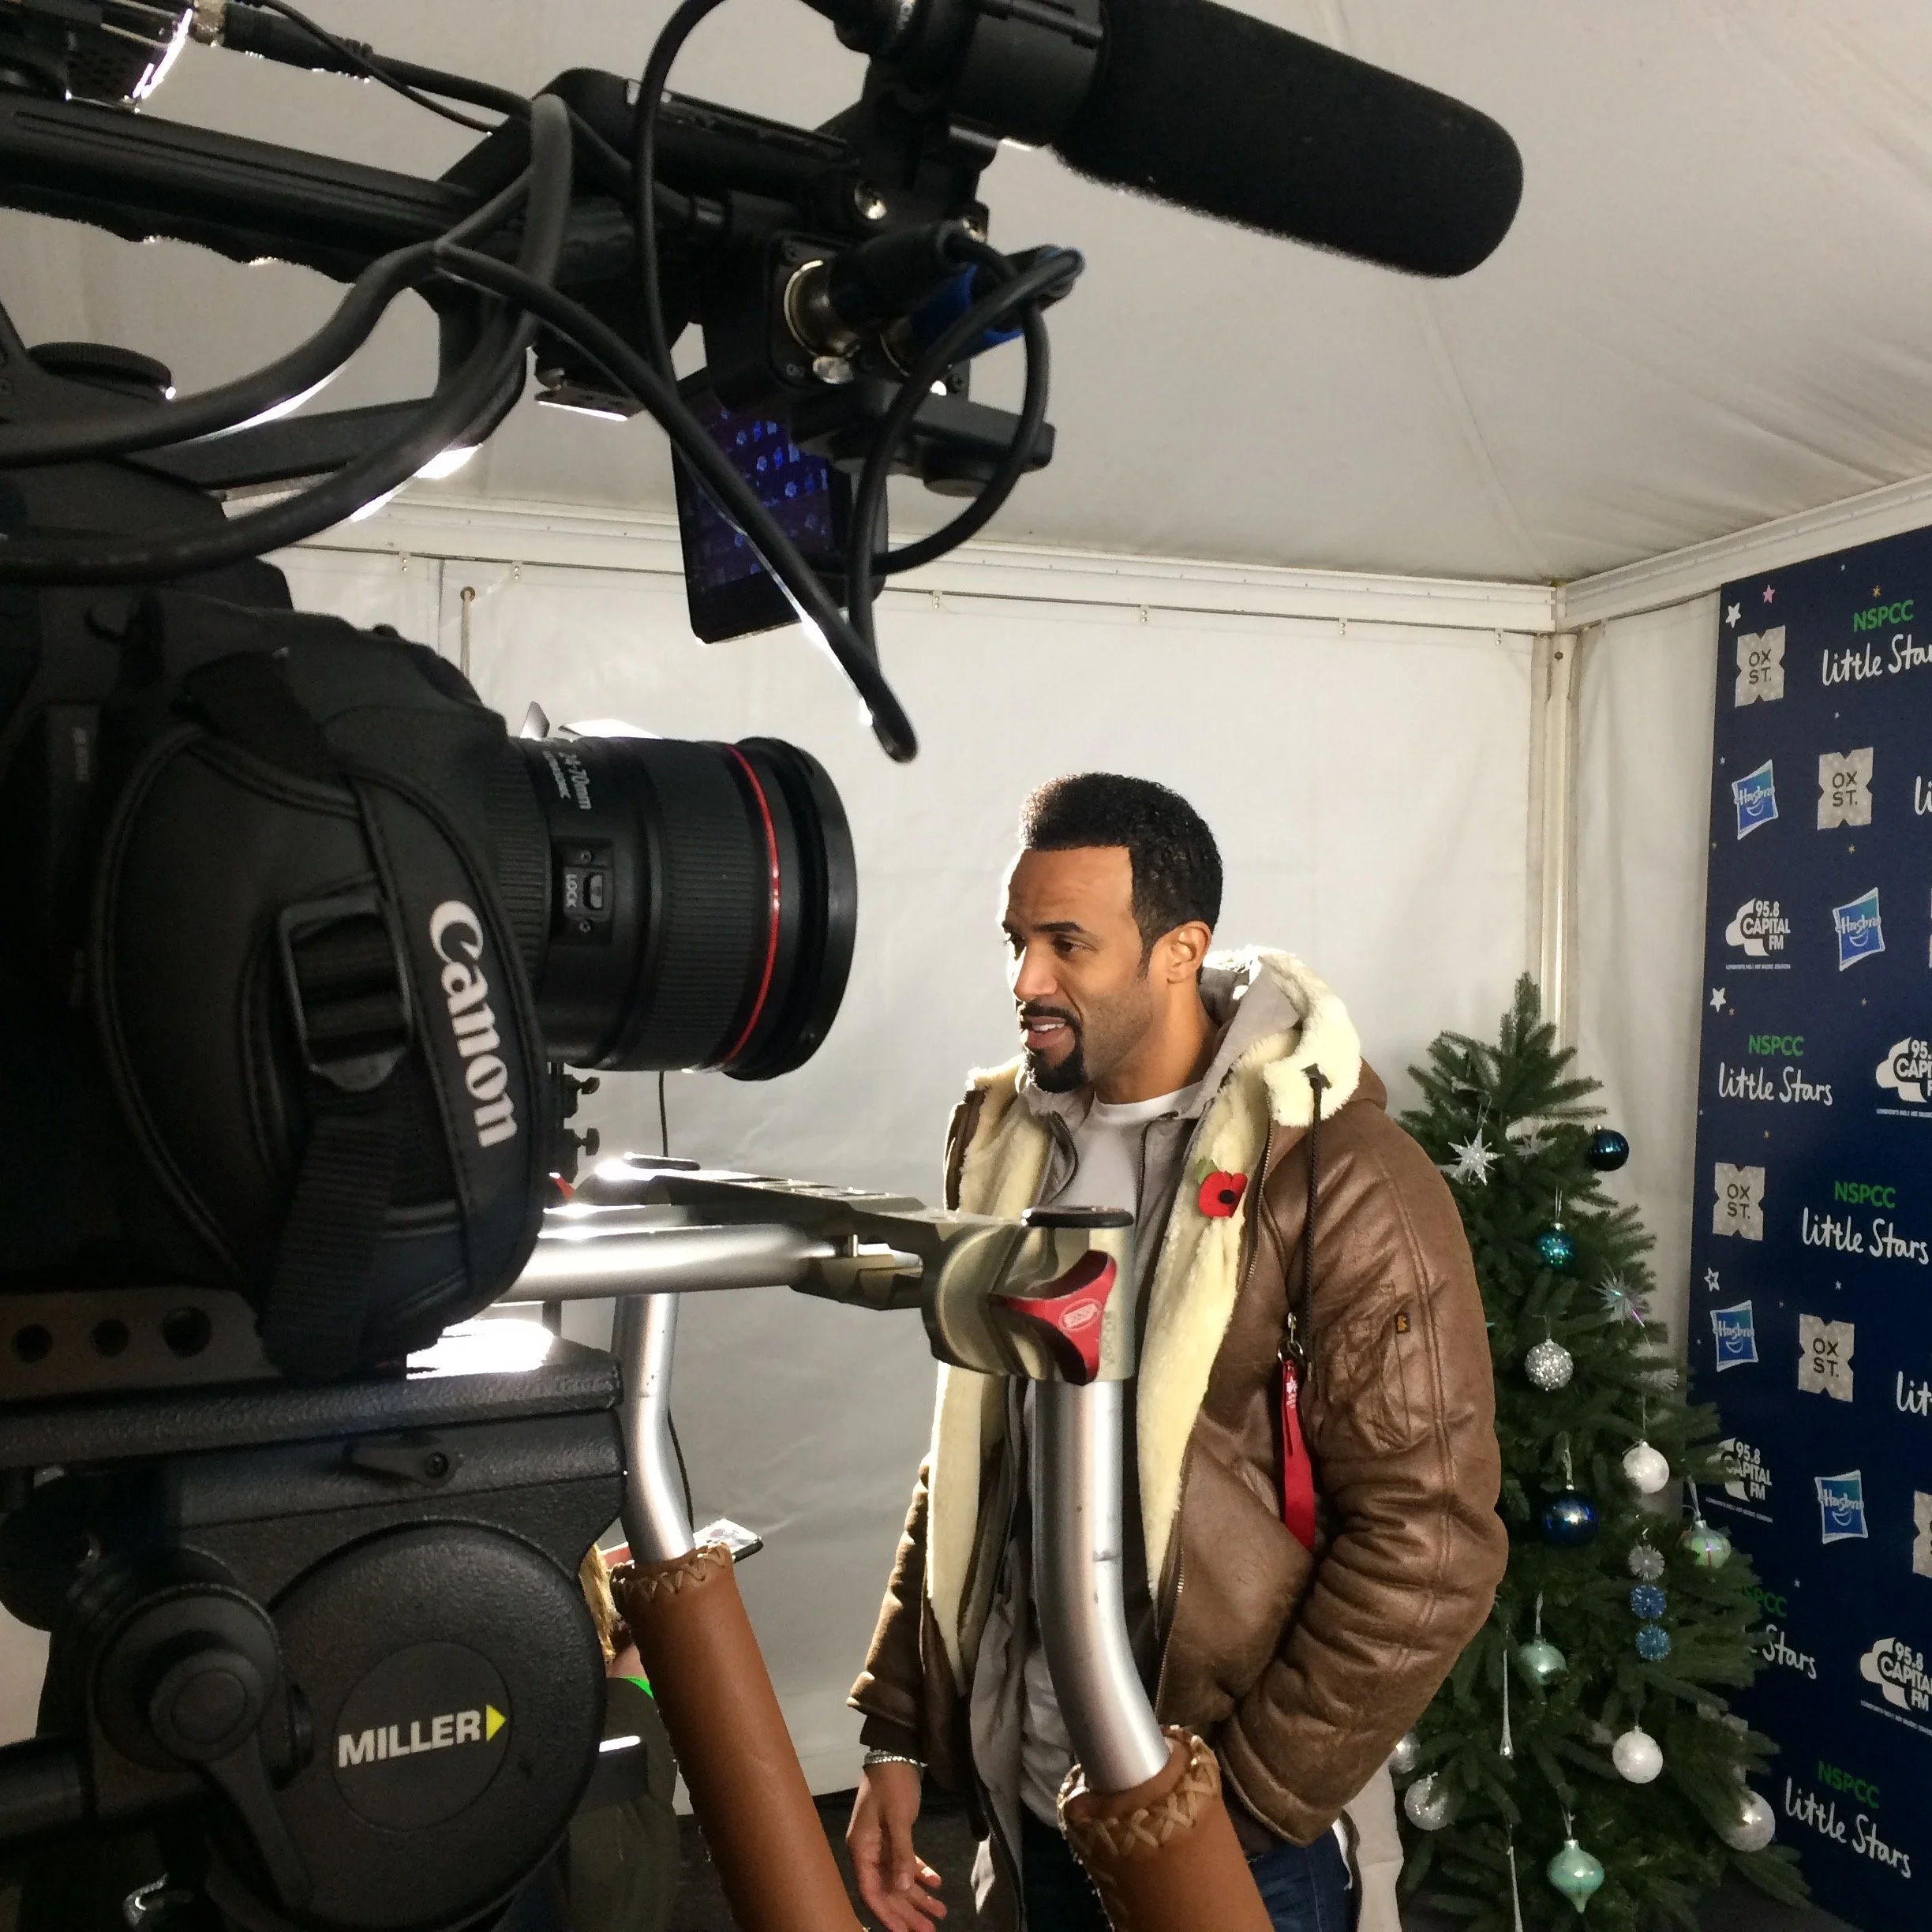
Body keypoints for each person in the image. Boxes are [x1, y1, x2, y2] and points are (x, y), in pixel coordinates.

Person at [845, 773, 1507, 1932]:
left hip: (1239, 1836)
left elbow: (1433, 1537)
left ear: (1176, 949)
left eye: (1065, 945)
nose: (1025, 984)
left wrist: (1236, 1803)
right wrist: (898, 1729)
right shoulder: (1003, 1141)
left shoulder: (1342, 1179)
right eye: (1015, 942)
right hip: (1033, 1796)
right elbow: (973, 1459)